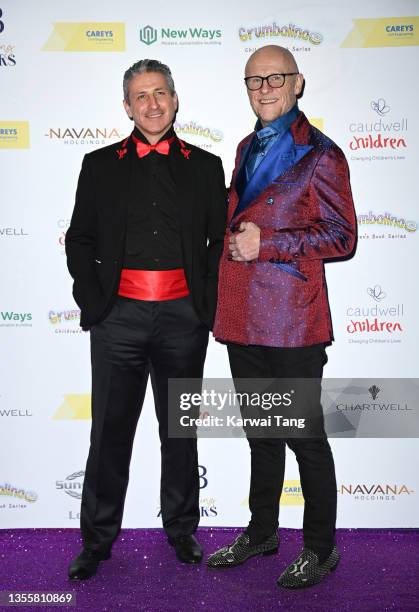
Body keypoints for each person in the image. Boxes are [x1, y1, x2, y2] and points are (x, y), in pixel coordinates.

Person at [65, 59, 226, 580]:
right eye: (140, 96)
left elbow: (218, 244)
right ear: (127, 106)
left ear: (175, 100)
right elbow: (80, 239)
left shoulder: (206, 166)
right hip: (119, 322)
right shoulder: (99, 164)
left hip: (183, 320)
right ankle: (96, 540)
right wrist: (97, 304)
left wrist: (205, 305)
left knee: (179, 431)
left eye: (160, 93)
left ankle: (182, 529)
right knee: (110, 431)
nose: (152, 104)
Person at [207, 45, 356, 588]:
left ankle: (320, 547)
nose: (264, 88)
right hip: (243, 315)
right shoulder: (247, 146)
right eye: (254, 81)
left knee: (305, 436)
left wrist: (267, 242)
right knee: (261, 436)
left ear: (298, 84)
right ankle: (263, 530)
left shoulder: (322, 154)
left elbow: (343, 236)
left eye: (275, 78)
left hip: (292, 320)